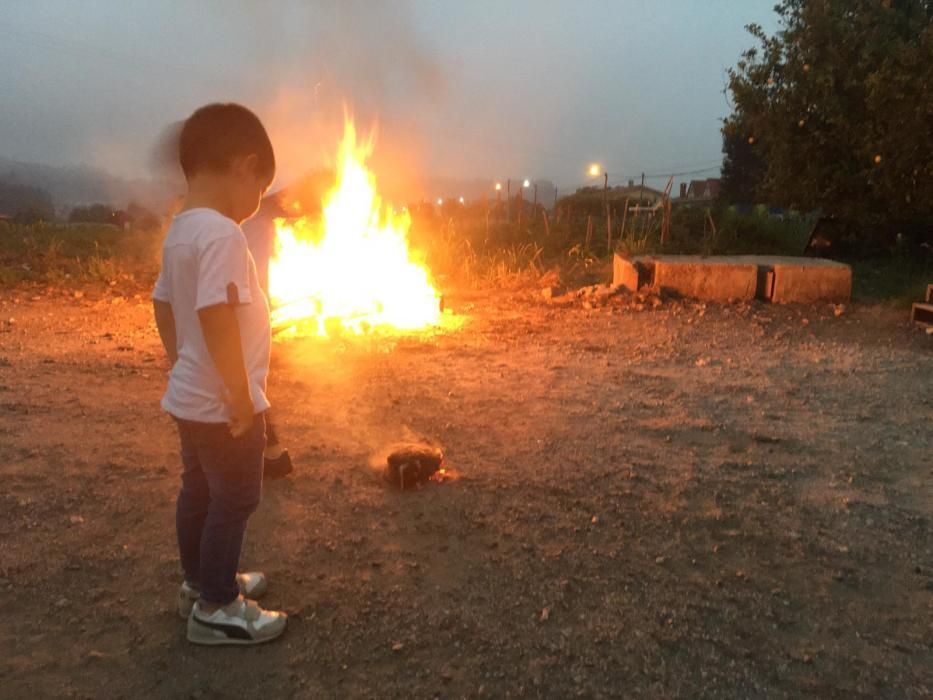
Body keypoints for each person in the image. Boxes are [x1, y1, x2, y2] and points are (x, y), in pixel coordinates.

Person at [152, 103, 287, 645]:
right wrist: (237, 393)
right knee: (236, 498)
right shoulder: (224, 236)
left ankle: (199, 580)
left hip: (189, 397)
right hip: (222, 403)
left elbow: (164, 304)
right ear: (244, 167)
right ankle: (217, 607)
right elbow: (215, 314)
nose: (256, 206)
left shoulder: (181, 230)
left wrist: (180, 359)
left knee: (199, 491)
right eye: (260, 188)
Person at [242, 200, 293, 479]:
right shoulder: (251, 216)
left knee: (247, 378)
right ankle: (267, 449)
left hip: (249, 304)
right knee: (248, 378)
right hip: (247, 304)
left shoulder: (250, 215)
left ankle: (267, 449)